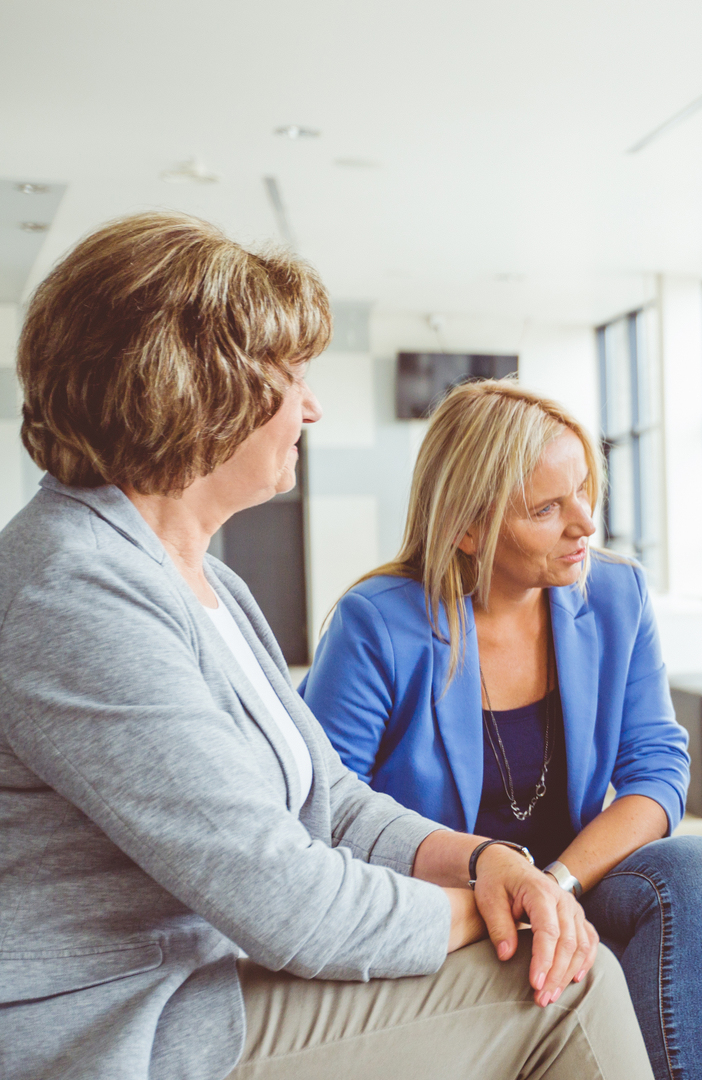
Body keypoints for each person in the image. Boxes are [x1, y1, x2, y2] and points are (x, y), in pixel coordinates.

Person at [0, 212, 646, 1080]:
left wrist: (490, 861)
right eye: (291, 375)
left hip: (204, 984)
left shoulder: (203, 581)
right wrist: (501, 908)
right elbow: (291, 904)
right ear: (195, 385)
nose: (310, 406)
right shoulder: (74, 591)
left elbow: (333, 804)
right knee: (563, 986)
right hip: (121, 1028)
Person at [302, 378, 702, 1080]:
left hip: (573, 883)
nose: (584, 522)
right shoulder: (378, 624)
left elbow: (658, 766)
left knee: (700, 868)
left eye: (584, 489)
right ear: (467, 527)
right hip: (450, 906)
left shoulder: (616, 594)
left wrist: (553, 884)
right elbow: (325, 812)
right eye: (546, 509)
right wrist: (498, 886)